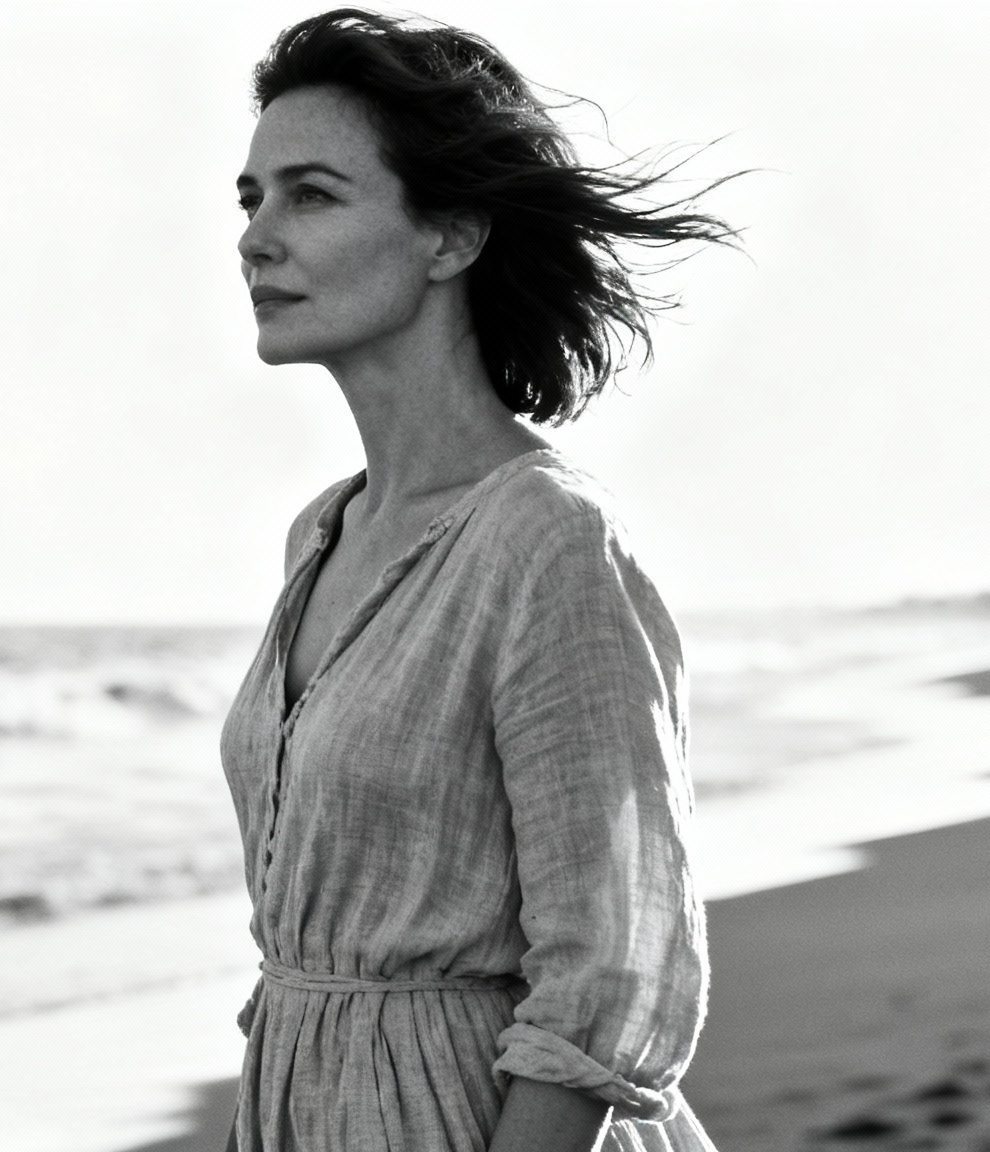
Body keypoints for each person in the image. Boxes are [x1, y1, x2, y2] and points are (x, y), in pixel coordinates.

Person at [219, 9, 735, 1152]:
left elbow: (614, 962)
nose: (256, 238)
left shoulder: (546, 541)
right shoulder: (320, 534)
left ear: (448, 236)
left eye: (311, 194)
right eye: (249, 198)